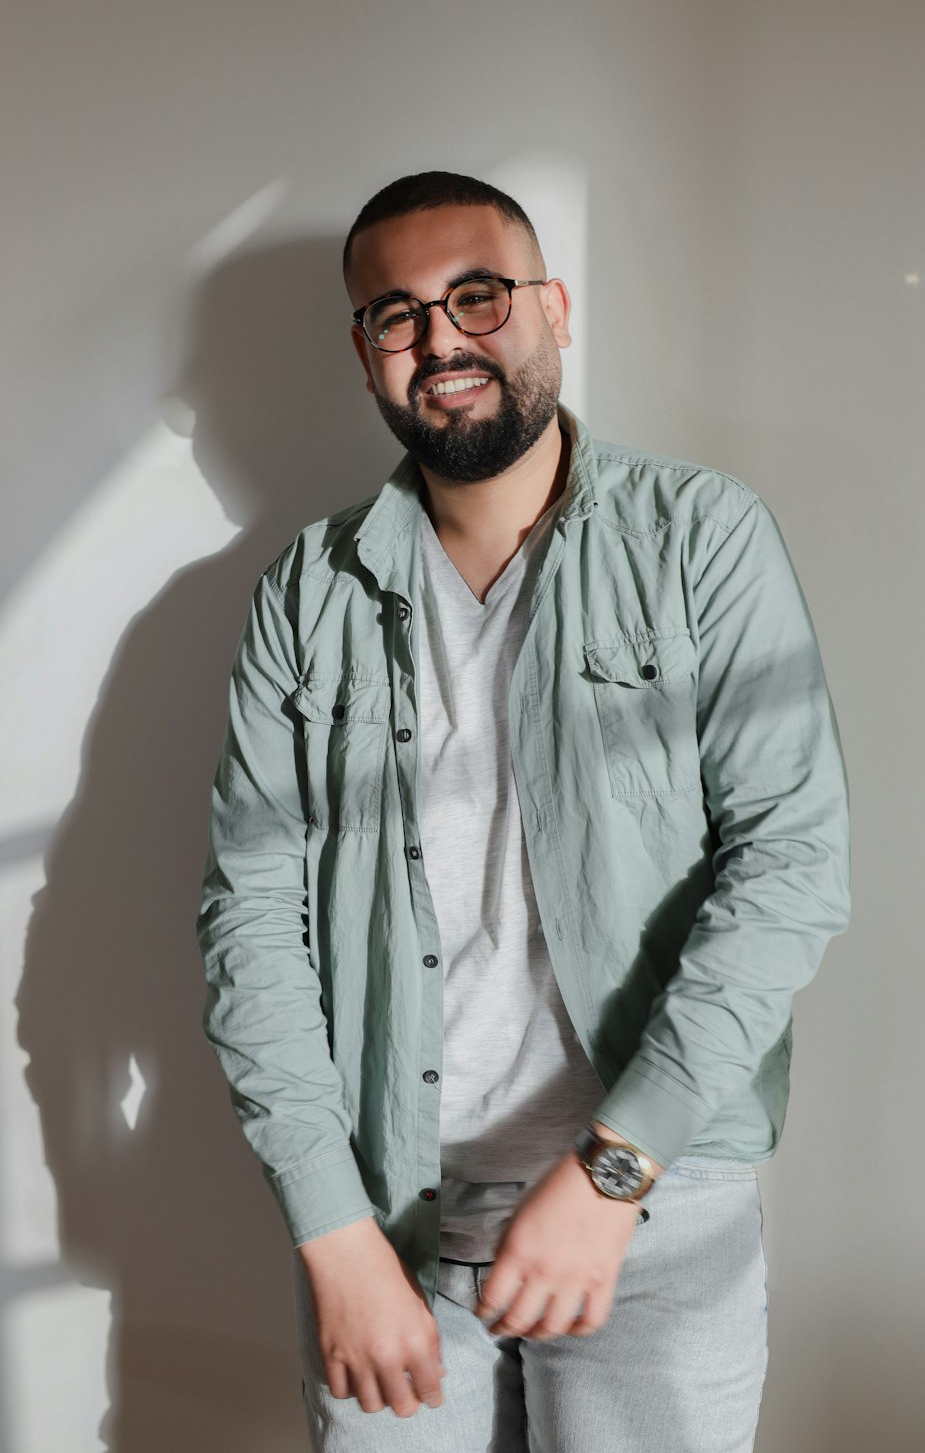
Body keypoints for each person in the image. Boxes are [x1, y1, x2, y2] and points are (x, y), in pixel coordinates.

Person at [197, 170, 851, 1451]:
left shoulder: (701, 538)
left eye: (476, 296)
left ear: (551, 307)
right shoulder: (303, 594)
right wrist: (332, 1234)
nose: (440, 339)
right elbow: (251, 923)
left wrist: (613, 1171)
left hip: (657, 1214)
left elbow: (790, 868)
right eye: (398, 315)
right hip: (388, 1225)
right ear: (365, 352)